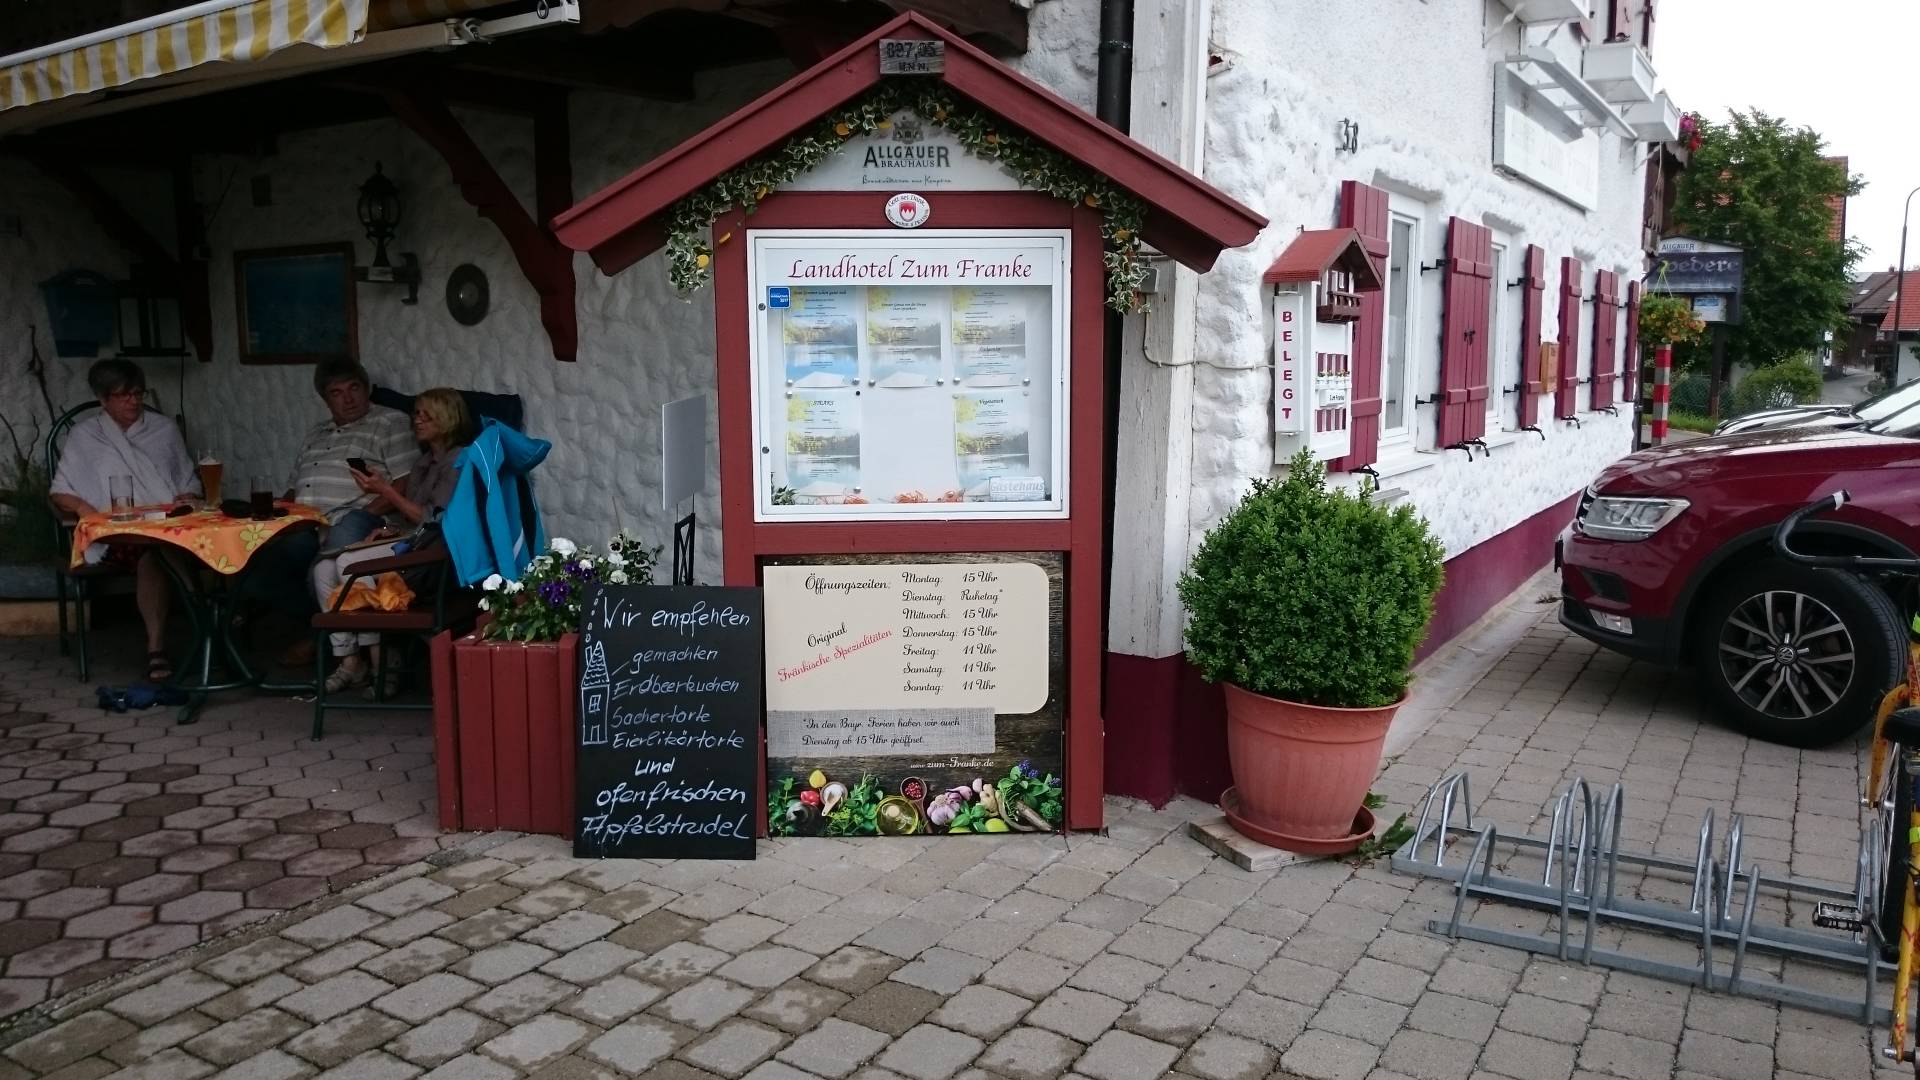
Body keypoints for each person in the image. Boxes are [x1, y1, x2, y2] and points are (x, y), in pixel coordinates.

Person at [247, 359, 419, 664]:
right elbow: (293, 490)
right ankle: (323, 629)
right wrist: (274, 518)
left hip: (362, 517)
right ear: (325, 399)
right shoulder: (317, 433)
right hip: (310, 523)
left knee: (321, 566)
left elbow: (406, 482)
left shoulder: (389, 422)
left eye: (354, 388)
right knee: (261, 573)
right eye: (336, 393)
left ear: (367, 389)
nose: (348, 399)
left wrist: (361, 515)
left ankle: (331, 645)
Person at [310, 388, 476, 693]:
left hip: (433, 554)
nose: (417, 420)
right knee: (323, 570)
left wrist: (386, 491)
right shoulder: (423, 463)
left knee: (349, 562)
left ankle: (382, 661)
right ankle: (350, 661)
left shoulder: (460, 461)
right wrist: (388, 529)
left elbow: (432, 520)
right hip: (409, 541)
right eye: (416, 414)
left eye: (427, 415)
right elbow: (408, 518)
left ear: (448, 419)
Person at [49, 359, 201, 682]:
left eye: (138, 393)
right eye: (123, 395)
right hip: (116, 534)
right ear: (103, 399)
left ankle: (202, 621)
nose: (133, 401)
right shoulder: (85, 435)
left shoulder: (163, 430)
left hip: (169, 527)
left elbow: (187, 479)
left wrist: (186, 496)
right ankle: (167, 641)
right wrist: (84, 508)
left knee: (162, 545)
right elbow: (61, 490)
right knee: (153, 553)